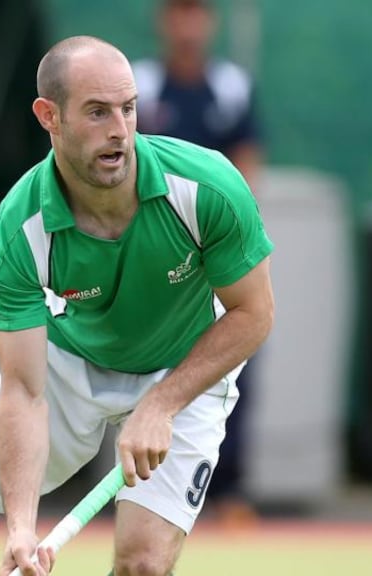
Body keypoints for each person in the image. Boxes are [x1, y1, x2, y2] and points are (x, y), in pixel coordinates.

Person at [0, 35, 273, 576]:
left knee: (143, 566)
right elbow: (25, 391)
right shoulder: (19, 230)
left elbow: (254, 313)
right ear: (48, 116)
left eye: (127, 109)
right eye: (97, 112)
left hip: (183, 366)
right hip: (65, 365)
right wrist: (21, 531)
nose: (120, 131)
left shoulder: (208, 187)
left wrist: (162, 403)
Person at [133, 0, 264, 525]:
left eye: (197, 13)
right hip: (150, 257)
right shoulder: (139, 86)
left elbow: (249, 172)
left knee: (236, 363)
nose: (187, 26)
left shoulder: (233, 88)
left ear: (210, 23)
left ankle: (231, 493)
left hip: (215, 259)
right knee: (135, 366)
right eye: (177, 12)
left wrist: (228, 246)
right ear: (163, 21)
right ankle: (134, 491)